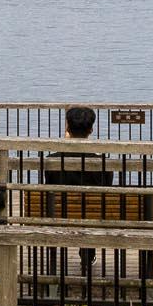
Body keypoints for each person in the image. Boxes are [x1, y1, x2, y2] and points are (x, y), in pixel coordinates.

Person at [41, 106, 111, 279]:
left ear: (67, 129)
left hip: (58, 216)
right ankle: (88, 253)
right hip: (93, 218)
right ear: (91, 130)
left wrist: (66, 145)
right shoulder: (103, 164)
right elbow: (105, 191)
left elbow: (49, 186)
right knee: (92, 209)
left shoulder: (52, 161)